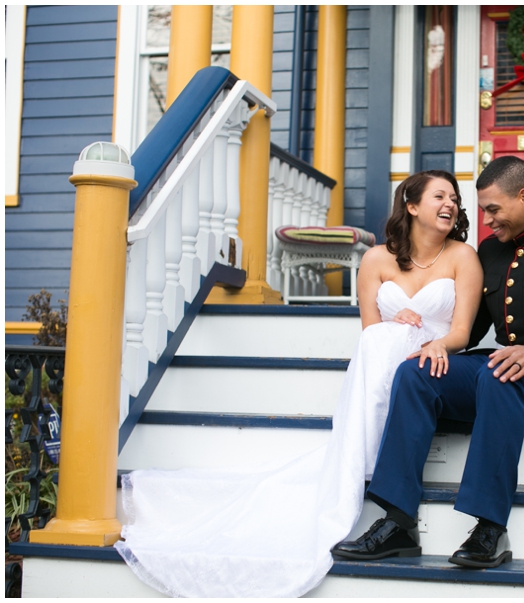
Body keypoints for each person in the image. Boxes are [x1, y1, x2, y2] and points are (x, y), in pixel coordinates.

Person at [114, 170, 483, 597]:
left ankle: (378, 457)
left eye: (454, 199)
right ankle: (371, 446)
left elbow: (461, 332)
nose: (450, 204)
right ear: (413, 205)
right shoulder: (376, 260)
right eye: (440, 196)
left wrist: (435, 343)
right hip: (383, 360)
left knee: (393, 344)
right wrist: (394, 320)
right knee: (383, 336)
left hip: (433, 365)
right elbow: (369, 329)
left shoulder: (462, 257)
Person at [332, 155, 524, 568]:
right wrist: (432, 344)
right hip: (501, 371)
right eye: (482, 210)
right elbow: (472, 327)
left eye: (493, 210)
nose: (486, 219)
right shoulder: (490, 252)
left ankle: (489, 529)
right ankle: (397, 522)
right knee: (416, 372)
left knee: (499, 377)